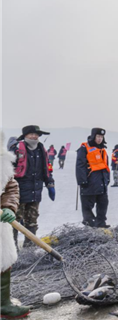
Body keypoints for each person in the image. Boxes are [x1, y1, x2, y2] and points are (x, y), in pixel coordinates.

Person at [0, 133, 31, 319]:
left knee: (3, 260)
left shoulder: (2, 163)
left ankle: (3, 304)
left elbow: (11, 187)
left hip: (0, 224)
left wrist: (8, 207)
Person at [10, 125, 55, 247]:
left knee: (32, 223)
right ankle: (12, 250)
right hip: (18, 192)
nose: (34, 136)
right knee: (14, 222)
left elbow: (47, 169)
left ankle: (29, 249)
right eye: (31, 134)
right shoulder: (16, 150)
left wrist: (50, 183)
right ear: (25, 135)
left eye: (36, 134)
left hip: (35, 191)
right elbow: (7, 170)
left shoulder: (41, 149)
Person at [76, 128, 110, 228]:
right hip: (89, 183)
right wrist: (82, 181)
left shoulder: (103, 150)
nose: (100, 139)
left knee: (103, 204)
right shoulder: (84, 149)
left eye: (101, 137)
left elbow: (105, 166)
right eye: (98, 136)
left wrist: (107, 179)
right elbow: (80, 165)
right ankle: (89, 225)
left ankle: (101, 224)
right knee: (87, 207)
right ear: (93, 136)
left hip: (101, 183)